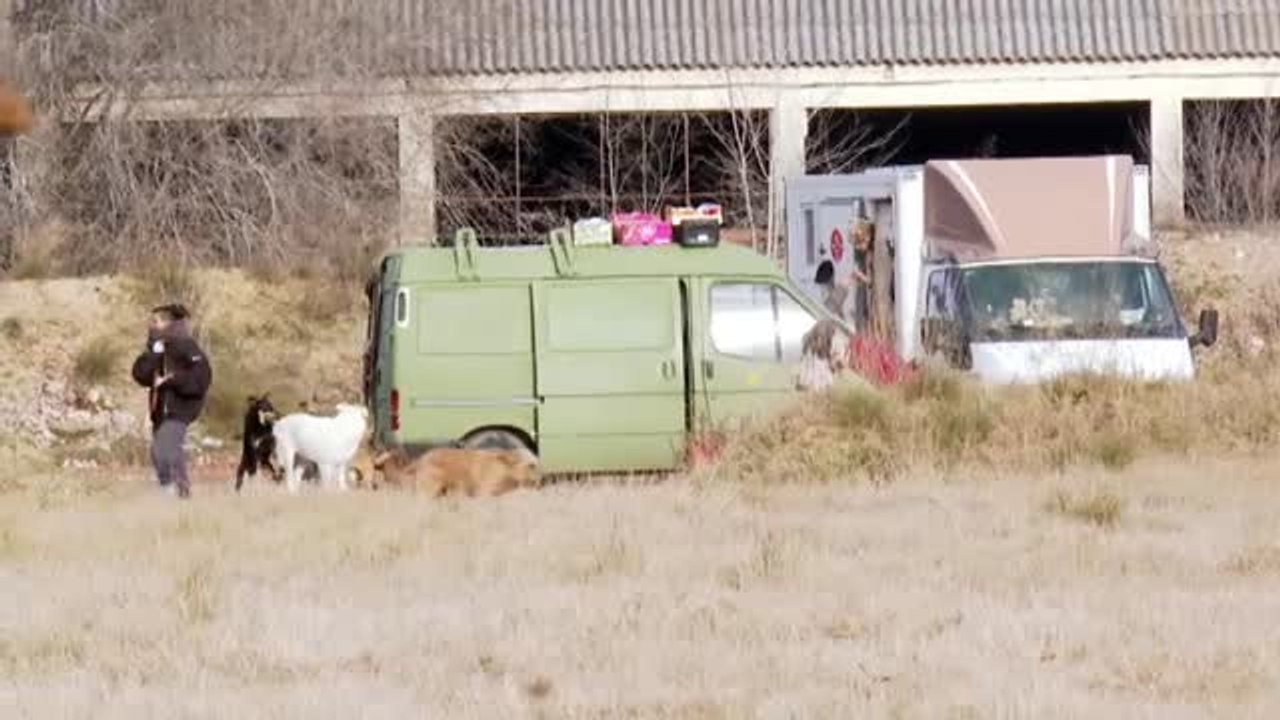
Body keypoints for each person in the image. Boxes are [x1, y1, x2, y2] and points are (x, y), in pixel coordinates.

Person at [131, 304, 213, 499]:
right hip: (160, 411)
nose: (152, 325)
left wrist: (172, 380)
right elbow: (140, 374)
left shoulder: (187, 346)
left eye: (156, 321)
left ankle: (176, 494)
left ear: (169, 323)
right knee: (162, 453)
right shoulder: (156, 348)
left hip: (180, 410)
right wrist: (154, 353)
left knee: (164, 449)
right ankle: (176, 495)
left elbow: (201, 379)